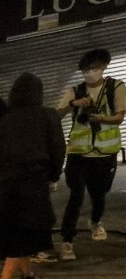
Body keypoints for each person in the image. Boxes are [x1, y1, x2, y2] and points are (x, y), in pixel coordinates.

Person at [0, 73, 66, 279]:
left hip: (7, 184)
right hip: (34, 180)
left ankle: (27, 276)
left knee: (18, 230)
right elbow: (58, 149)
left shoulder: (4, 121)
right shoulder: (47, 116)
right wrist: (53, 176)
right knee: (23, 234)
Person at [54, 48, 125, 261]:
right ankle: (67, 241)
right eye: (85, 69)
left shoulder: (116, 88)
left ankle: (95, 221)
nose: (89, 73)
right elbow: (56, 115)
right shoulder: (74, 91)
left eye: (93, 68)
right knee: (75, 195)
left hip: (105, 154)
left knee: (99, 195)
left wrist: (98, 119)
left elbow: (120, 118)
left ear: (104, 66)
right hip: (78, 153)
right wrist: (73, 104)